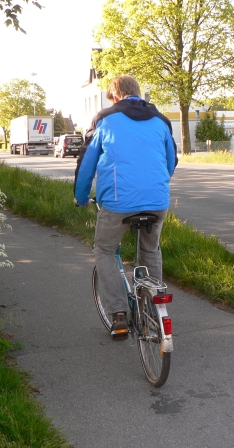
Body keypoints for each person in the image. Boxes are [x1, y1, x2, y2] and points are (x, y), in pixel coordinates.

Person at [74, 75, 177, 339]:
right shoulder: (161, 120)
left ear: (116, 96)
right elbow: (170, 162)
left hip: (118, 203)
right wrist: (154, 186)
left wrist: (81, 197)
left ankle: (119, 314)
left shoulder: (104, 119)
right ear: (137, 93)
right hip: (157, 200)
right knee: (150, 248)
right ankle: (153, 308)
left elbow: (87, 163)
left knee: (105, 250)